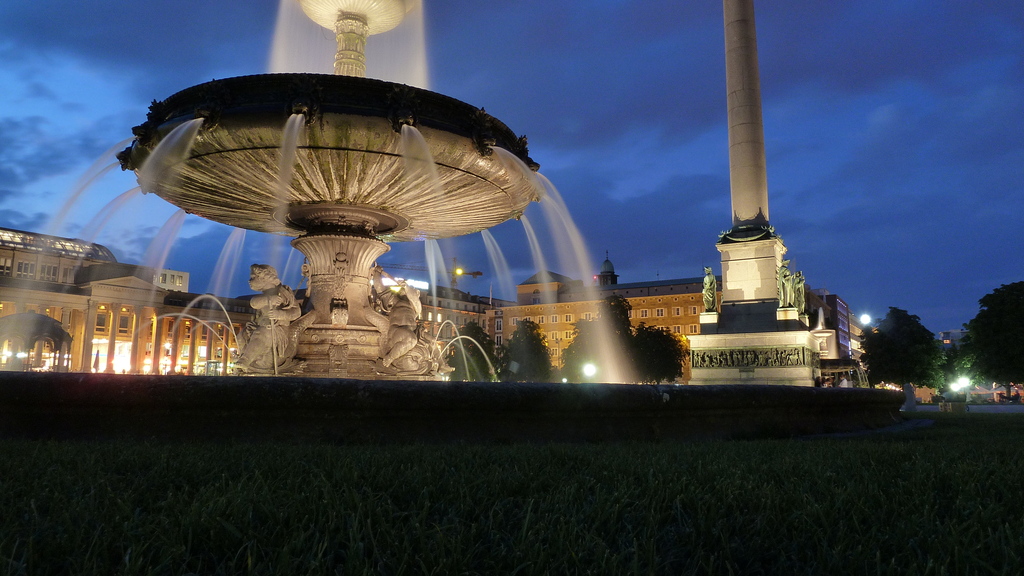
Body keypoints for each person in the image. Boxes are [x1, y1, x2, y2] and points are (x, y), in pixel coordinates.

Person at [234, 264, 302, 373]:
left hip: (277, 329)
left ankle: (245, 360)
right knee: (240, 337)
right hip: (261, 326)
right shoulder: (265, 295)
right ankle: (249, 360)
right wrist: (269, 299)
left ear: (264, 278)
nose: (249, 280)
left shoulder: (283, 292)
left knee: (262, 333)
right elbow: (254, 303)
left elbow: (296, 312)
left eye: (253, 277)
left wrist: (279, 314)